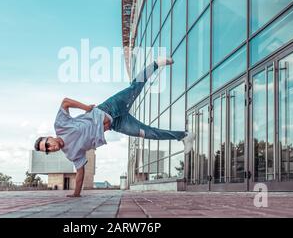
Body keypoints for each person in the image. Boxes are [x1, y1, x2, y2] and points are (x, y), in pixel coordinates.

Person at [34, 57, 195, 197]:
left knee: (134, 88)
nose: (50, 148)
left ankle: (156, 63)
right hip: (116, 124)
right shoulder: (71, 153)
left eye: (47, 144)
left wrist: (86, 108)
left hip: (109, 108)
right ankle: (184, 136)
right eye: (46, 150)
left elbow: (65, 101)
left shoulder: (60, 125)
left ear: (49, 137)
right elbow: (80, 171)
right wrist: (76, 193)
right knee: (149, 133)